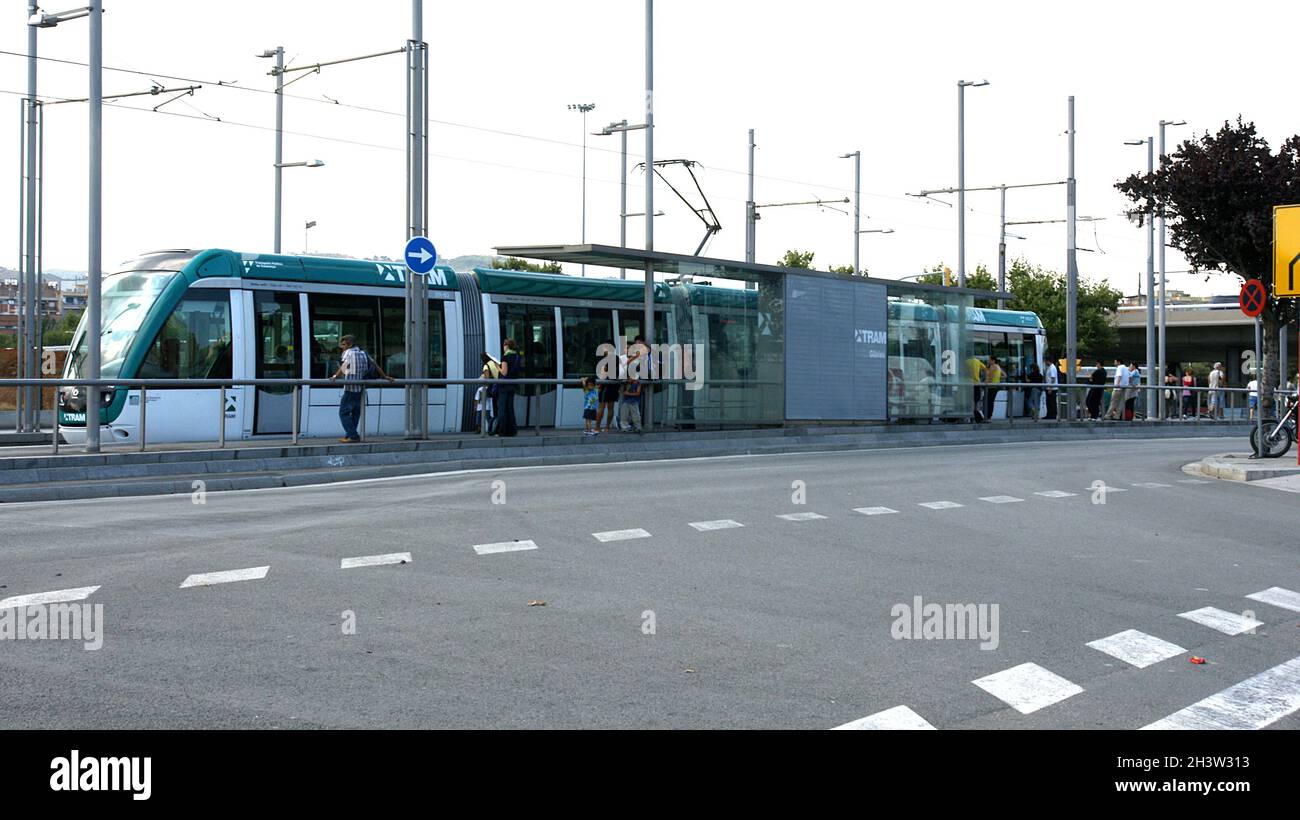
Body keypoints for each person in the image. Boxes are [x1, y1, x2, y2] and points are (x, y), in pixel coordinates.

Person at [329, 334, 392, 442]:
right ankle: (349, 435)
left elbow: (344, 366)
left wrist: (335, 376)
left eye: (343, 344)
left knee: (343, 413)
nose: (341, 347)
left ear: (349, 344)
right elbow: (375, 365)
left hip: (350, 388)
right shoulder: (363, 353)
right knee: (355, 412)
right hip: (360, 388)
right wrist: (385, 376)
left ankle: (353, 435)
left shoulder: (348, 353)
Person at [496, 339, 521, 437]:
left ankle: (502, 431)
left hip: (504, 386)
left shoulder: (505, 357)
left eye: (504, 345)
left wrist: (497, 366)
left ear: (507, 346)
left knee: (502, 409)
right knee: (510, 408)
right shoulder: (517, 357)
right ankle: (512, 431)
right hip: (513, 386)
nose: (503, 347)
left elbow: (504, 372)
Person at [598, 340, 620, 432]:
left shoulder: (605, 360)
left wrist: (599, 386)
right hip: (614, 386)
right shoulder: (617, 358)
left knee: (601, 408)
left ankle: (597, 428)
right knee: (610, 408)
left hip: (605, 386)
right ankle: (607, 428)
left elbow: (602, 376)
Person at [480, 352, 501, 433]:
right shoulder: (495, 362)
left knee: (495, 410)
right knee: (499, 409)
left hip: (495, 389)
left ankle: (493, 430)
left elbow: (487, 379)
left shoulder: (486, 366)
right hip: (501, 386)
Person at [983, 356, 1004, 421]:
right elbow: (1005, 375)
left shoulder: (992, 366)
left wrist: (985, 383)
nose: (988, 361)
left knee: (987, 401)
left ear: (993, 361)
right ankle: (989, 416)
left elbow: (990, 377)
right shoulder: (998, 366)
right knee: (990, 401)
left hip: (991, 386)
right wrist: (997, 377)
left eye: (989, 360)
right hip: (996, 386)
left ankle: (987, 416)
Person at [967, 355, 987, 422]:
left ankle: (970, 415)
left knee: (969, 399)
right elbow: (985, 369)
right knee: (976, 399)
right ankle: (975, 414)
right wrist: (984, 379)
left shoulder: (966, 362)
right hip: (977, 383)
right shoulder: (977, 361)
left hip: (968, 382)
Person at [1043, 354, 1059, 420]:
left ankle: (1053, 415)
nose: (1045, 363)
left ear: (1047, 361)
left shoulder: (1052, 368)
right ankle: (1049, 415)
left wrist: (1050, 388)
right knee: (1049, 402)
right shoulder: (1050, 367)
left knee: (1052, 402)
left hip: (1052, 388)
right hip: (1050, 388)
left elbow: (1053, 378)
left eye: (1045, 361)